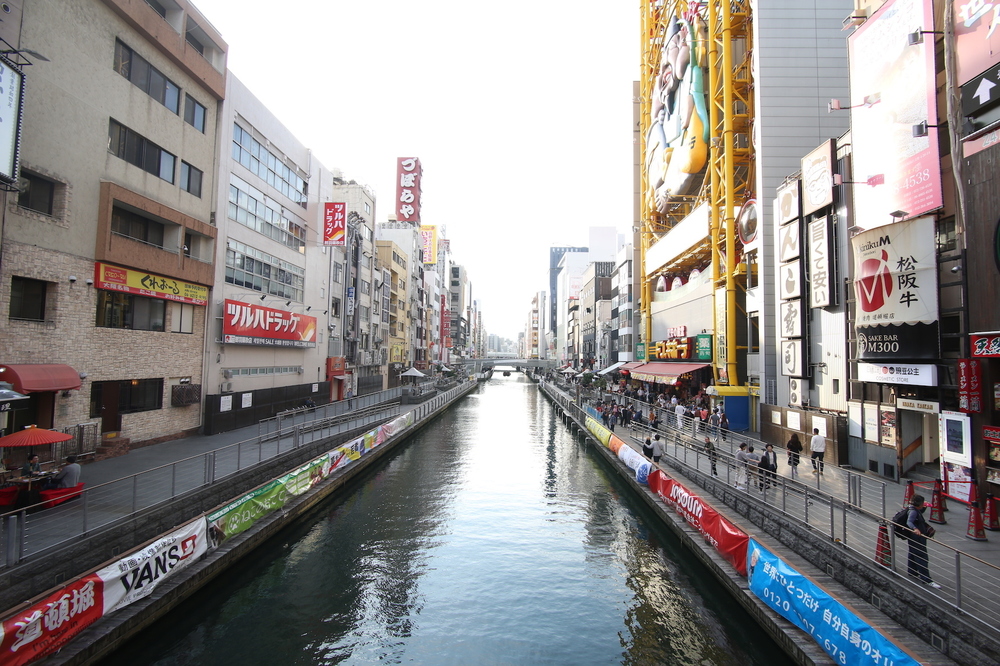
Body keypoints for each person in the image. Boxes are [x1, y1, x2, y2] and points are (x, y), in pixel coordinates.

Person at [906, 495, 941, 588]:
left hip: (914, 538)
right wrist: (915, 529)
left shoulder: (913, 509)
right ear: (919, 504)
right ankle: (926, 579)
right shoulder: (913, 512)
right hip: (917, 538)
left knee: (912, 553)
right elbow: (909, 522)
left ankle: (912, 571)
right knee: (922, 557)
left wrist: (923, 508)